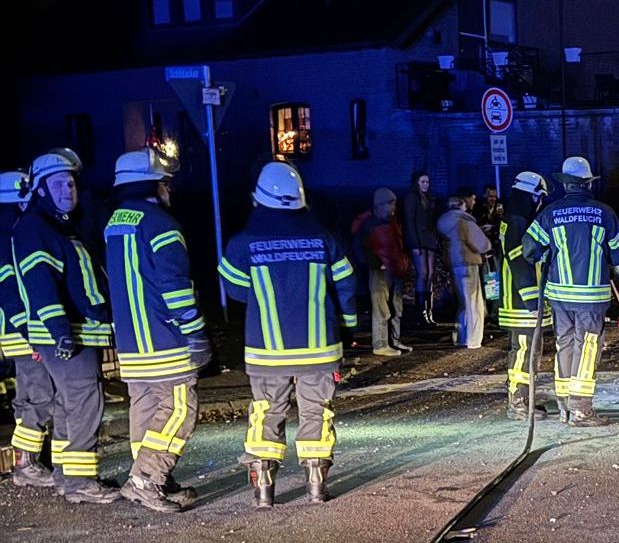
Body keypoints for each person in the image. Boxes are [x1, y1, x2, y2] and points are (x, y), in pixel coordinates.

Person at [218, 161, 358, 508]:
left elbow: (234, 289)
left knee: (266, 411)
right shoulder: (324, 238)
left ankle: (264, 489)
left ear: (257, 198)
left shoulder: (242, 242)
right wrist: (349, 326)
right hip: (319, 348)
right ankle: (316, 485)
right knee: (317, 411)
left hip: (266, 350)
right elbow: (346, 284)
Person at [104, 147, 209, 512]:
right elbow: (175, 286)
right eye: (165, 182)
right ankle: (147, 479)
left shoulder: (115, 223)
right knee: (181, 409)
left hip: (131, 343)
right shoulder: (161, 224)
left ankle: (150, 477)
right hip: (164, 339)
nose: (169, 189)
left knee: (146, 409)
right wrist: (195, 331)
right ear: (151, 184)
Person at [11, 148, 119, 503]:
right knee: (84, 401)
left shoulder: (60, 225)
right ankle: (78, 481)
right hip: (66, 333)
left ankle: (67, 476)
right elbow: (39, 281)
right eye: (58, 183)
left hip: (77, 330)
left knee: (71, 402)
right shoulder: (35, 227)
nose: (67, 190)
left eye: (71, 183)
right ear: (40, 189)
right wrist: (59, 331)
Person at [522, 156, 619, 427]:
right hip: (591, 298)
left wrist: (548, 254)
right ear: (588, 184)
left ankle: (565, 408)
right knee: (587, 348)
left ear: (565, 185)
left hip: (559, 298)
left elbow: (529, 249)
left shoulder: (550, 213)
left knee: (565, 345)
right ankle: (581, 409)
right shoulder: (604, 213)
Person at [0, 169, 56, 488]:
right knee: (42, 395)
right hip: (24, 331)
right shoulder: (10, 237)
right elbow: (11, 291)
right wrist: (30, 334)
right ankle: (26, 463)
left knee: (28, 396)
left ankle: (29, 461)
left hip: (16, 331)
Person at [498, 171, 551, 419]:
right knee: (523, 352)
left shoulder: (513, 218)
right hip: (520, 302)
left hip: (518, 299)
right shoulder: (518, 221)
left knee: (528, 351)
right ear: (532, 195)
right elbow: (520, 262)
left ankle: (524, 401)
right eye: (538, 198)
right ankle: (518, 403)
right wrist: (532, 301)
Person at [352, 187, 413, 357]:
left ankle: (394, 341)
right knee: (381, 308)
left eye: (394, 203)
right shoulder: (369, 224)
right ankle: (380, 344)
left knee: (395, 307)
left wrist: (403, 263)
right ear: (379, 205)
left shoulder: (391, 221)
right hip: (380, 272)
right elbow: (360, 249)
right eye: (390, 204)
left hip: (394, 269)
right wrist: (377, 264)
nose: (393, 207)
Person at [436, 189, 490, 349]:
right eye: (471, 199)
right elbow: (482, 244)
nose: (474, 202)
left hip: (454, 263)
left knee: (463, 303)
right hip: (468, 262)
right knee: (473, 303)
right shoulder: (464, 221)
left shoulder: (443, 221)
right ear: (463, 203)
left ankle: (460, 337)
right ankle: (473, 340)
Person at [403, 170, 437, 325]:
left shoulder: (429, 198)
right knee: (422, 274)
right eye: (423, 182)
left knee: (429, 274)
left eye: (427, 182)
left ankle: (428, 312)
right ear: (416, 183)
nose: (425, 185)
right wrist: (414, 243)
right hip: (418, 240)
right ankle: (420, 313)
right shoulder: (412, 198)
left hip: (428, 239)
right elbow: (409, 221)